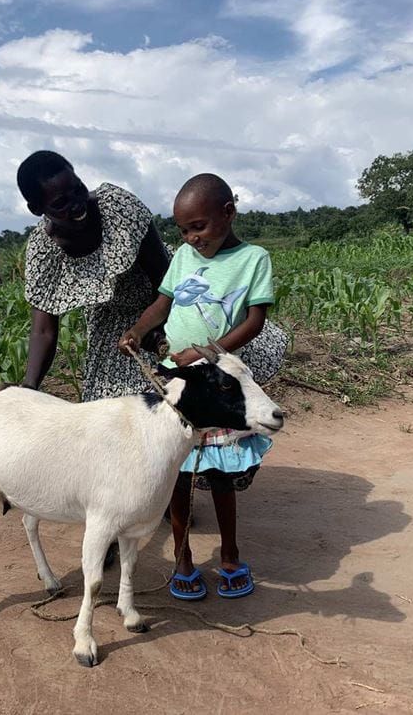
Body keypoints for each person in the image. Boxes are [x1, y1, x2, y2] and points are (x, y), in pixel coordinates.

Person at [119, 173, 287, 600]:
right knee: (174, 472)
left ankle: (229, 555)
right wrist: (138, 330)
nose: (192, 238)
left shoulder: (253, 259)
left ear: (228, 213)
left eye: (200, 227)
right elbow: (164, 303)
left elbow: (254, 321)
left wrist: (205, 352)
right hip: (176, 383)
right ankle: (182, 557)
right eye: (183, 230)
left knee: (221, 474)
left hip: (217, 382)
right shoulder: (182, 258)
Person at [17, 150, 171, 569]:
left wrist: (152, 332)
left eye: (77, 189)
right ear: (37, 209)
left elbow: (167, 282)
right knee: (107, 420)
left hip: (160, 309)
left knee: (169, 404)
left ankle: (170, 492)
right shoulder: (42, 253)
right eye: (61, 202)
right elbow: (45, 329)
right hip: (109, 330)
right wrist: (28, 390)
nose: (77, 204)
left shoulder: (120, 210)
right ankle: (114, 525)